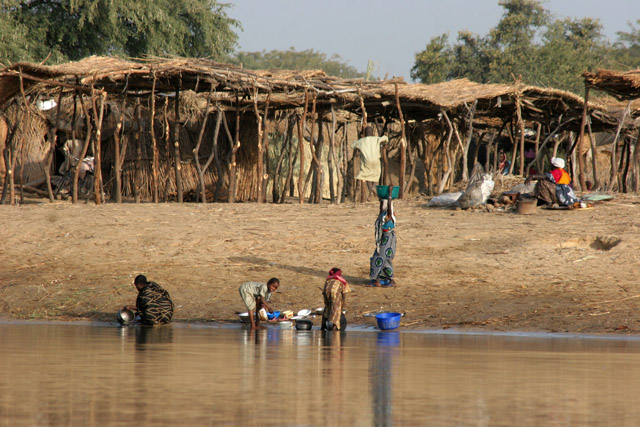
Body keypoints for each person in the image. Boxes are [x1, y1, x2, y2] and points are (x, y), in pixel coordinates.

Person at [351, 125, 389, 199]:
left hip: (366, 161)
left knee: (367, 176)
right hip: (375, 160)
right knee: (375, 174)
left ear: (365, 133)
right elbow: (385, 138)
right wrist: (385, 138)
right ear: (372, 133)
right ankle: (373, 187)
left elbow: (353, 145)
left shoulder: (361, 141)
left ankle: (371, 190)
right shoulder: (377, 139)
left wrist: (359, 140)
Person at [370, 188, 397, 287]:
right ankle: (387, 279)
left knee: (380, 258)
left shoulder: (389, 215)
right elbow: (383, 208)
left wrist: (389, 193)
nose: (382, 206)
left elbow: (389, 206)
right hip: (385, 238)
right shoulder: (383, 214)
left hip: (387, 238)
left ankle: (378, 279)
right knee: (383, 258)